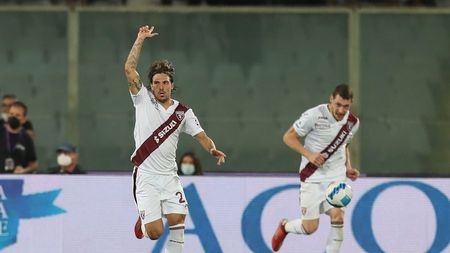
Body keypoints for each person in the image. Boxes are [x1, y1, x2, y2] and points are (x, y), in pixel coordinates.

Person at [124, 25, 226, 253]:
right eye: (157, 83)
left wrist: (212, 150)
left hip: (169, 176)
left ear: (172, 85)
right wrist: (140, 39)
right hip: (147, 176)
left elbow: (202, 136)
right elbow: (130, 69)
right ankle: (143, 222)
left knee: (178, 221)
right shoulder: (142, 100)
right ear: (151, 86)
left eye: (165, 82)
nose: (161, 87)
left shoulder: (183, 112)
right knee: (155, 232)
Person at [271, 84, 360, 253]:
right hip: (312, 176)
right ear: (331, 99)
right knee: (310, 227)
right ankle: (285, 227)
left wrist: (348, 167)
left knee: (338, 216)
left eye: (346, 106)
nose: (341, 110)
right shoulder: (314, 115)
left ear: (351, 103)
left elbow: (344, 145)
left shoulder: (352, 122)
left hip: (336, 176)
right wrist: (309, 154)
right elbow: (288, 137)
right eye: (338, 104)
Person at [0, 101, 38, 174]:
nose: (13, 117)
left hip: (17, 180)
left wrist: (24, 170)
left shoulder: (26, 137)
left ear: (24, 119)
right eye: (11, 114)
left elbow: (34, 164)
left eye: (17, 115)